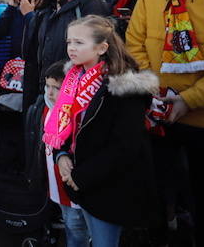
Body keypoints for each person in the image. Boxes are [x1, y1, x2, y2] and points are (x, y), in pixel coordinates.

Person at [126, 0, 204, 246]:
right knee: (157, 201)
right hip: (159, 113)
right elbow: (134, 43)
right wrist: (155, 88)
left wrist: (188, 99)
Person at [44, 15, 158, 247]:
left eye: (79, 42)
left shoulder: (124, 88)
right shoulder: (73, 78)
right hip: (83, 183)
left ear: (102, 47)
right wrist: (62, 154)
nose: (71, 48)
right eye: (69, 42)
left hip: (110, 187)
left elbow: (126, 146)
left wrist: (81, 177)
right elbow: (67, 124)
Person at [22, 0, 109, 110]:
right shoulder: (44, 11)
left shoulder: (89, 3)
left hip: (79, 96)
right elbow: (32, 58)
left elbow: (102, 54)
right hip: (46, 95)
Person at [36, 60, 91, 247]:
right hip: (56, 185)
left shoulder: (75, 114)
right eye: (47, 86)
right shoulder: (45, 108)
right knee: (71, 225)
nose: (50, 93)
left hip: (75, 186)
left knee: (78, 227)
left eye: (56, 88)